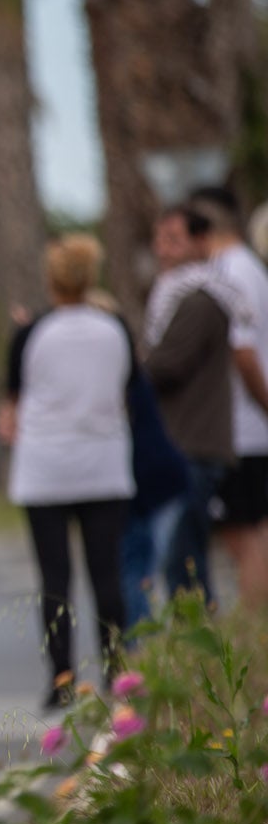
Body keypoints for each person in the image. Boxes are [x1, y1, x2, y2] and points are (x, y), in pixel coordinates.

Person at [0, 235, 133, 710]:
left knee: (54, 577)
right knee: (107, 575)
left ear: (51, 279)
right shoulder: (114, 328)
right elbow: (127, 387)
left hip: (46, 468)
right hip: (103, 463)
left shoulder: (31, 332)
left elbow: (10, 404)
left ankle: (61, 677)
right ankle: (118, 672)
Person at [143, 204, 234, 604]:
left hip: (193, 445)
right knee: (184, 560)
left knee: (184, 564)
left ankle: (202, 654)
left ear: (201, 242)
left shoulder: (199, 300)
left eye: (174, 240)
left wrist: (131, 371)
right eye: (159, 240)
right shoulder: (175, 295)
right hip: (185, 443)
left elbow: (166, 366)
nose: (163, 250)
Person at [187, 186, 268, 609]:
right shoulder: (248, 269)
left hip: (241, 429)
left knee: (243, 537)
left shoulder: (231, 273)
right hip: (246, 428)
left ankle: (255, 629)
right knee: (250, 532)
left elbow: (244, 354)